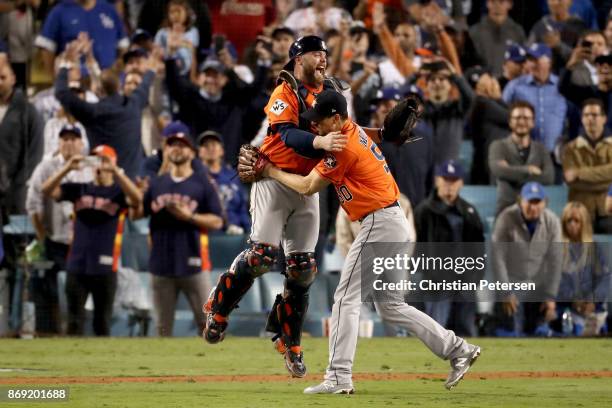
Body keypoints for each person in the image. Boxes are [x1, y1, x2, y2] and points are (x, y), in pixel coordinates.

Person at [256, 90, 480, 394]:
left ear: (336, 118)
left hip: (380, 223)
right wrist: (386, 133)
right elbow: (339, 142)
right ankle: (458, 349)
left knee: (346, 298)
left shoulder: (345, 145)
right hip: (392, 222)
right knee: (390, 305)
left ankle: (338, 376)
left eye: (320, 121)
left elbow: (308, 186)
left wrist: (270, 170)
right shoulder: (353, 130)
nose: (316, 127)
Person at [202, 35, 355, 379]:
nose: (323, 59)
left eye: (325, 53)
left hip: (308, 184)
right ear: (298, 59)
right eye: (316, 53)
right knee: (260, 257)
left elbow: (350, 134)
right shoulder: (285, 90)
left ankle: (291, 341)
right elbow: (286, 134)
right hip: (273, 177)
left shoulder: (331, 92)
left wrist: (381, 132)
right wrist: (319, 140)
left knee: (303, 268)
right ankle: (219, 306)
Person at [41, 145, 142, 336]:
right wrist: (67, 168)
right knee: (73, 321)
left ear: (112, 163)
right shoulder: (80, 189)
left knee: (102, 322)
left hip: (105, 264)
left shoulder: (118, 192)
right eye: (96, 159)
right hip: (77, 262)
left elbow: (137, 199)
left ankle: (100, 364)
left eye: (104, 160)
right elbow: (46, 190)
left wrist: (117, 173)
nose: (100, 165)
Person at [136, 132, 223, 336]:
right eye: (173, 145)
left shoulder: (203, 183)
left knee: (209, 326)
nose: (177, 148)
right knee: (162, 328)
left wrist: (190, 216)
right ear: (167, 151)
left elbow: (218, 221)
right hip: (160, 265)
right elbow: (137, 214)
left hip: (194, 263)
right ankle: (164, 369)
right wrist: (137, 195)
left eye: (183, 145)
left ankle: (214, 366)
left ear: (192, 153)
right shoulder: (156, 184)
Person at [55, 40, 160, 178]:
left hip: (102, 183)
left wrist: (65, 64)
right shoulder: (133, 105)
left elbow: (61, 92)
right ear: (119, 87)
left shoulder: (90, 112)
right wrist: (151, 69)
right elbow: (145, 84)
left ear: (98, 90)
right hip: (130, 183)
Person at [25, 125, 93, 335]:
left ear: (82, 144)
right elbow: (33, 204)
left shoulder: (91, 169)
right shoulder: (46, 167)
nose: (69, 143)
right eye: (65, 139)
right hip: (53, 239)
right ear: (58, 143)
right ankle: (45, 335)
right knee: (46, 291)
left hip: (83, 244)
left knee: (77, 295)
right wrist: (42, 235)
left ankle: (78, 337)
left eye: (74, 139)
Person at [414, 160, 485, 337]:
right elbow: (415, 248)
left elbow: (478, 249)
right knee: (436, 335)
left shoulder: (469, 211)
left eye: (453, 180)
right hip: (436, 286)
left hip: (464, 284)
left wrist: (474, 277)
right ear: (437, 180)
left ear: (461, 183)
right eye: (445, 179)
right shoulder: (423, 211)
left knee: (466, 335)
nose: (449, 185)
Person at [492, 182, 562, 336]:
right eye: (529, 201)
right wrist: (505, 292)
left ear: (545, 203)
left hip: (539, 284)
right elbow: (498, 258)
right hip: (511, 281)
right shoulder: (506, 218)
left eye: (537, 202)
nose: (533, 207)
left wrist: (550, 295)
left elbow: (555, 262)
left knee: (538, 330)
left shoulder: (552, 221)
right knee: (510, 329)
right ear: (520, 201)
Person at [489, 101, 554, 215]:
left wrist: (510, 175)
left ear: (533, 122)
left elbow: (548, 177)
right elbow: (498, 171)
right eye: (517, 117)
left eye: (526, 118)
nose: (522, 121)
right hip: (506, 209)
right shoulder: (498, 146)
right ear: (510, 122)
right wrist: (528, 170)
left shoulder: (541, 149)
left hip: (535, 210)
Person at [502, 43, 567, 155]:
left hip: (555, 153)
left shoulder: (562, 85)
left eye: (537, 59)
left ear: (549, 62)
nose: (533, 64)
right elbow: (501, 113)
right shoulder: (515, 86)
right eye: (530, 60)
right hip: (523, 153)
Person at [555, 202, 609, 336]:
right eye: (569, 221)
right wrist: (574, 300)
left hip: (592, 307)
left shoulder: (594, 249)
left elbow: (605, 279)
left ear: (583, 223)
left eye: (577, 221)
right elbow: (554, 283)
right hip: (566, 307)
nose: (572, 224)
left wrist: (592, 300)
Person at [34, 0, 129, 76]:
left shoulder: (109, 9)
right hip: (75, 85)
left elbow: (123, 45)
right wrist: (56, 80)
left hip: (107, 83)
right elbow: (47, 49)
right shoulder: (59, 11)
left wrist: (116, 74)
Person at [562, 98, 612, 233]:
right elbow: (571, 181)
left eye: (595, 115)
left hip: (608, 211)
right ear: (582, 119)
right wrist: (606, 180)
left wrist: (580, 173)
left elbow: (576, 178)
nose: (590, 119)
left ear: (604, 118)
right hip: (579, 212)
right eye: (586, 115)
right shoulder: (570, 148)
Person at [0, 60, 43, 215]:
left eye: (2, 77)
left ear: (13, 78)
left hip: (16, 194)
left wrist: (19, 187)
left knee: (15, 237)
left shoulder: (28, 112)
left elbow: (34, 154)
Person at [197, 130, 250, 235]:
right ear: (199, 152)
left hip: (236, 233)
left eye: (214, 144)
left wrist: (249, 231)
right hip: (206, 234)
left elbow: (242, 208)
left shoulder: (232, 176)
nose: (211, 148)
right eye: (206, 145)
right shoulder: (195, 176)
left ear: (221, 151)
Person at [469, 71, 509, 185]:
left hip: (484, 159)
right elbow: (511, 118)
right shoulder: (483, 103)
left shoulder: (481, 103)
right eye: (494, 85)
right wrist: (499, 98)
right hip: (486, 162)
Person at [468, 0, 526, 76]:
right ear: (487, 3)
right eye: (492, 1)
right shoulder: (474, 32)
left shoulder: (517, 32)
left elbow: (524, 62)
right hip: (483, 83)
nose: (497, 6)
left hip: (511, 83)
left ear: (510, 4)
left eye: (501, 2)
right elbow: (468, 64)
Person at [154, 0, 199, 78]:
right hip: (167, 73)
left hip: (185, 75)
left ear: (186, 12)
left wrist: (193, 78)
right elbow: (156, 56)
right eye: (172, 12)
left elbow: (193, 56)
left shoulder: (193, 32)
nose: (175, 15)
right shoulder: (162, 33)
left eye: (179, 11)